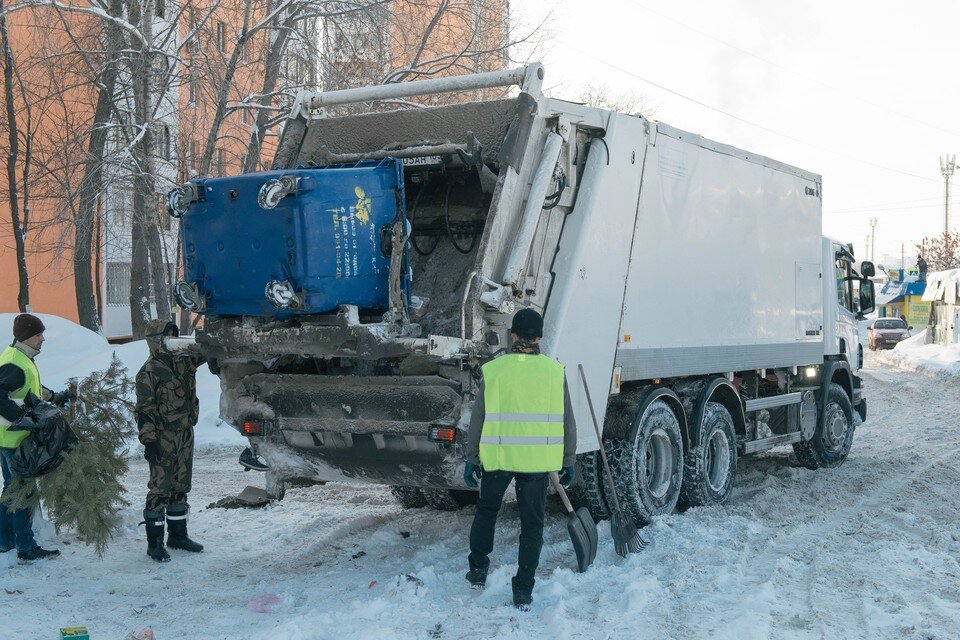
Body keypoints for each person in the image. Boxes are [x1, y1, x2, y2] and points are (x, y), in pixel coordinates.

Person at [462, 308, 577, 610]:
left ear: (512, 335)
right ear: (539, 337)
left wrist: (472, 457)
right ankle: (523, 591)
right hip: (536, 464)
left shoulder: (495, 370)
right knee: (532, 525)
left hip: (498, 459)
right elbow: (568, 421)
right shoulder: (554, 372)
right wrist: (567, 460)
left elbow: (478, 418)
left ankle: (477, 572)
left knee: (486, 512)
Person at [0, 313, 73, 562]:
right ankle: (25, 547)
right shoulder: (14, 363)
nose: (43, 339)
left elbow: (28, 391)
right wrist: (23, 419)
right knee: (24, 491)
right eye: (39, 334)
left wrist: (55, 397)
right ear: (27, 337)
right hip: (15, 439)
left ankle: (5, 540)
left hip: (11, 438)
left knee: (12, 489)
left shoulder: (20, 358)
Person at [135, 319, 206, 562]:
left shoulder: (184, 360)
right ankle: (154, 543)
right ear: (156, 339)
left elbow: (206, 352)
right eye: (168, 334)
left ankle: (177, 535)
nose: (173, 337)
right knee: (159, 489)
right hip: (163, 436)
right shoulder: (149, 371)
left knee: (181, 485)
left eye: (175, 333)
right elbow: (144, 409)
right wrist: (149, 440)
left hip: (186, 432)